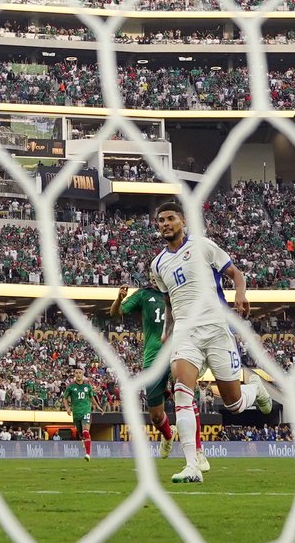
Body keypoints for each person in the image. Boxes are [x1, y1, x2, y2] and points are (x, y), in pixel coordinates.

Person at [150, 201, 273, 484]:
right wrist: (168, 330)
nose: (165, 224)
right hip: (185, 333)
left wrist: (240, 294)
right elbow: (169, 302)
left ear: (182, 221)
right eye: (161, 220)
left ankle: (255, 389)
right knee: (182, 393)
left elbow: (235, 274)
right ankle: (192, 465)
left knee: (234, 404)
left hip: (217, 328)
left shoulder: (203, 246)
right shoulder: (157, 265)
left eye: (171, 218)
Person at [111, 283, 207, 473]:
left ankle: (198, 450)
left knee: (186, 395)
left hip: (178, 350)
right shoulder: (144, 294)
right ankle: (168, 434)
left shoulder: (178, 290)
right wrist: (119, 298)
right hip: (153, 356)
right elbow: (116, 312)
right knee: (155, 415)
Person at [62, 369, 99, 461]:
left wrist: (97, 406)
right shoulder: (71, 387)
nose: (78, 375)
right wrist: (67, 408)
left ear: (83, 374)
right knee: (81, 434)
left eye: (80, 373)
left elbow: (91, 397)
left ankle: (88, 454)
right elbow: (65, 398)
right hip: (76, 413)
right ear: (74, 374)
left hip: (86, 411)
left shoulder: (87, 386)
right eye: (76, 373)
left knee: (86, 431)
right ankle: (83, 439)